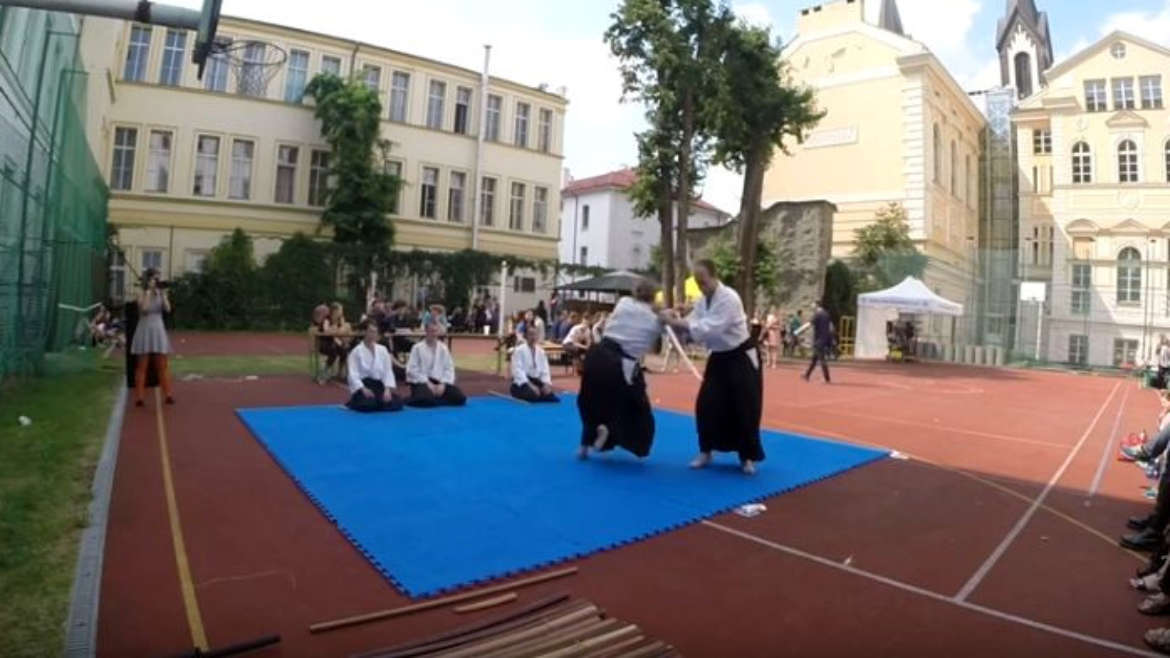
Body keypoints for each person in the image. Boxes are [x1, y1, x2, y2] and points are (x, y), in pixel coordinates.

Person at [662, 260, 764, 475]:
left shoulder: (729, 298)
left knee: (745, 407)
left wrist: (678, 323)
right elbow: (693, 325)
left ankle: (746, 457)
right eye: (697, 283)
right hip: (719, 357)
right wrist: (675, 319)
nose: (701, 287)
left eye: (703, 282)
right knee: (706, 404)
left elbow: (710, 329)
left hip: (740, 356)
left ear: (715, 277)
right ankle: (706, 450)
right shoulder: (702, 301)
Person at [577, 281, 665, 460]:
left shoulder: (624, 302)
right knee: (636, 406)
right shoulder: (657, 319)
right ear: (654, 296)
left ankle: (584, 446)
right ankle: (614, 433)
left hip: (596, 356)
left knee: (590, 400)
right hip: (620, 364)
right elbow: (674, 329)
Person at [131, 269, 175, 407]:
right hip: (145, 329)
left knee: (162, 365)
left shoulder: (160, 293)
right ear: (148, 280)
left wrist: (164, 295)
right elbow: (143, 309)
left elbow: (168, 309)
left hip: (158, 328)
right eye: (154, 279)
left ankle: (168, 395)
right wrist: (148, 293)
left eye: (157, 279)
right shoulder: (141, 293)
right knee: (142, 366)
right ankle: (139, 397)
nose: (156, 282)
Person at [405, 320, 466, 407]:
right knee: (427, 400)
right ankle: (421, 398)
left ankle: (435, 398)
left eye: (436, 331)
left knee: (460, 398)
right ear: (426, 331)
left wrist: (443, 384)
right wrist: (427, 383)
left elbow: (449, 368)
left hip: (439, 381)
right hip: (422, 381)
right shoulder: (417, 348)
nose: (434, 334)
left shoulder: (443, 348)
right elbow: (412, 370)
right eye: (431, 331)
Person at [345, 323, 404, 412]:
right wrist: (363, 389)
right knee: (369, 405)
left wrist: (387, 389)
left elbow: (388, 371)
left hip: (378, 385)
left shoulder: (382, 350)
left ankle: (378, 402)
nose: (372, 335)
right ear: (365, 332)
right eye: (370, 332)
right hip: (364, 385)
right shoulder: (356, 352)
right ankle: (354, 402)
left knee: (397, 403)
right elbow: (352, 374)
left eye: (375, 332)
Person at [511, 325, 558, 402]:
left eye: (535, 334)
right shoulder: (519, 350)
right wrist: (530, 385)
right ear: (526, 336)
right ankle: (535, 394)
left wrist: (546, 384)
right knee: (533, 395)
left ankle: (539, 394)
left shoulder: (541, 352)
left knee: (553, 398)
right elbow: (517, 370)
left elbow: (545, 369)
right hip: (522, 382)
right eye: (531, 334)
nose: (533, 337)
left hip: (536, 380)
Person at [802, 302, 833, 383]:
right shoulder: (827, 314)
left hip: (819, 340)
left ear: (817, 305)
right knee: (814, 359)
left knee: (822, 359)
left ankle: (827, 378)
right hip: (824, 339)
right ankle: (807, 375)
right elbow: (831, 327)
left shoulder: (817, 314)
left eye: (812, 305)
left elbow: (809, 324)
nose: (811, 306)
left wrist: (797, 331)